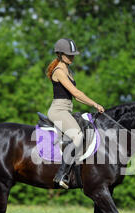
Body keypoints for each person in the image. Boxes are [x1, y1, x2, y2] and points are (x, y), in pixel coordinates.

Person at [46, 38, 105, 189]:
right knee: (77, 136)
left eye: (73, 55)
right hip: (58, 110)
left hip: (67, 110)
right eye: (68, 54)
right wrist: (94, 103)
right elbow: (75, 93)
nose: (72, 57)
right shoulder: (59, 71)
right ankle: (61, 174)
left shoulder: (68, 69)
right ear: (60, 54)